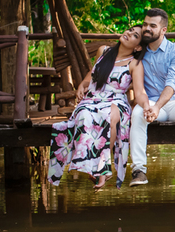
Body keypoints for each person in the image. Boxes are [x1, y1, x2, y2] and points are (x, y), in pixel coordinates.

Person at [49, 26, 149, 189]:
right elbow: (92, 75)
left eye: (135, 35)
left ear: (138, 47)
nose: (129, 33)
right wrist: (83, 85)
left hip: (116, 101)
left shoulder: (135, 64)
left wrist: (146, 106)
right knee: (84, 115)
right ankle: (89, 165)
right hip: (93, 98)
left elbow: (140, 92)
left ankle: (103, 168)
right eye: (130, 30)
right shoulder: (104, 51)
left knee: (110, 114)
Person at [129, 8, 175, 186]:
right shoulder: (138, 51)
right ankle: (139, 171)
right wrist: (150, 106)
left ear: (163, 30)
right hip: (150, 101)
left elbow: (171, 84)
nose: (147, 28)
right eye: (145, 24)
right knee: (138, 114)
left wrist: (157, 107)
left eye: (152, 26)